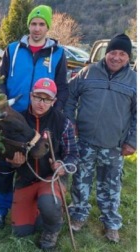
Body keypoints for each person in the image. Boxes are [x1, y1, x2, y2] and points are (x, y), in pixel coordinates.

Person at [0, 4, 68, 229]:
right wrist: (2, 102)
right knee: (6, 165)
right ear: (29, 26)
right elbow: (0, 80)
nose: (37, 28)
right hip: (15, 118)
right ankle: (0, 209)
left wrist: (57, 111)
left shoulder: (58, 53)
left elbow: (63, 86)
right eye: (33, 24)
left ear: (47, 27)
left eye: (41, 24)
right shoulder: (12, 48)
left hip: (42, 117)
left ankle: (39, 203)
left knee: (38, 162)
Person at [64, 33, 136, 243]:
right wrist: (70, 123)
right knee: (80, 181)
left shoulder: (134, 81)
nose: (116, 57)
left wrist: (133, 141)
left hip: (115, 145)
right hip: (85, 141)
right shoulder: (88, 73)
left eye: (122, 53)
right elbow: (69, 96)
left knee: (111, 186)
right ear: (107, 52)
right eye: (113, 52)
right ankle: (78, 214)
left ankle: (111, 223)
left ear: (128, 57)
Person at [8, 78, 77, 250]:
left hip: (50, 179)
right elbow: (6, 155)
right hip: (26, 179)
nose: (41, 103)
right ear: (31, 96)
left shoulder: (63, 122)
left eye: (47, 99)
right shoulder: (18, 120)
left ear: (54, 101)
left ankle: (52, 228)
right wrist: (13, 162)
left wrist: (63, 165)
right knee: (20, 231)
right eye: (38, 97)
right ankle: (37, 209)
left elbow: (73, 155)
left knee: (49, 203)